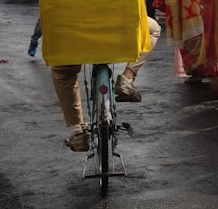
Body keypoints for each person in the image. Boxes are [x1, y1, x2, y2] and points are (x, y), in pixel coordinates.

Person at [53, 16, 162, 150]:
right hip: (117, 24)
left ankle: (78, 132)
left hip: (74, 29)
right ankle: (127, 77)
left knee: (63, 74)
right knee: (153, 29)